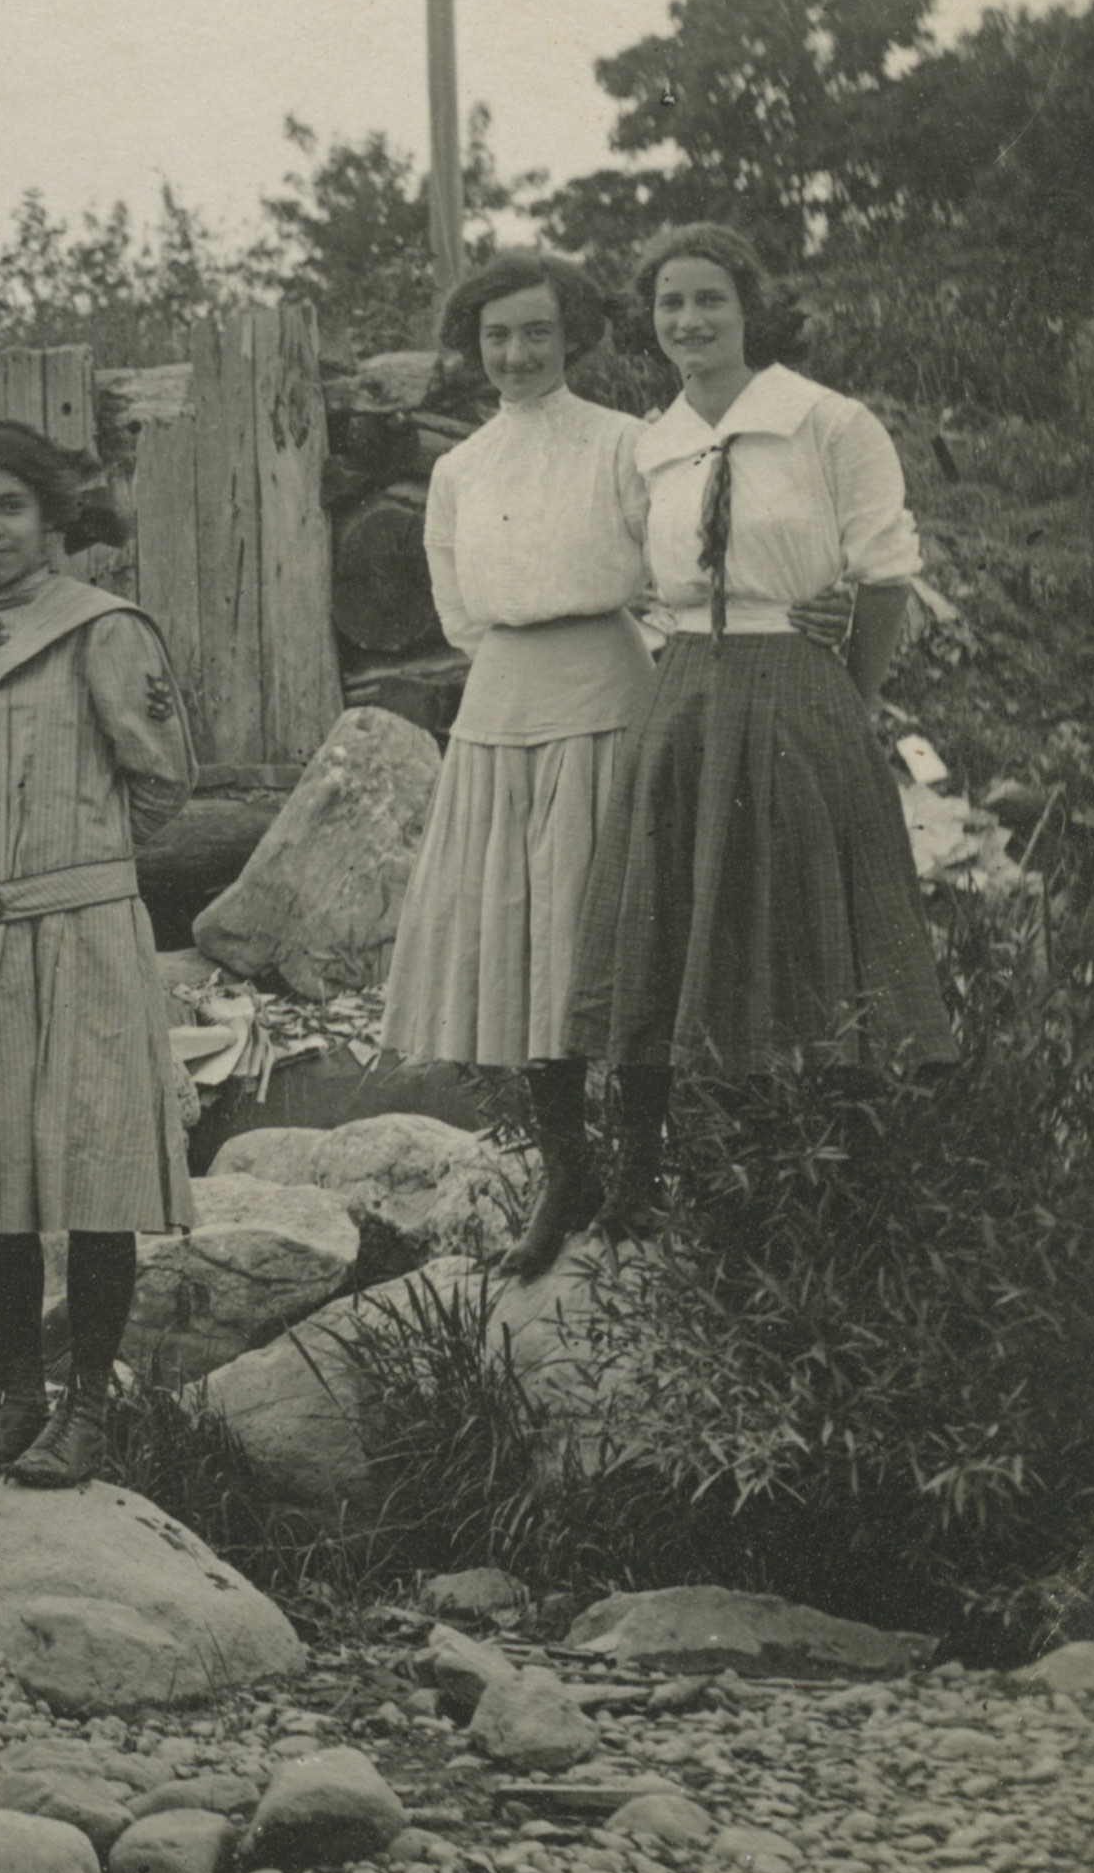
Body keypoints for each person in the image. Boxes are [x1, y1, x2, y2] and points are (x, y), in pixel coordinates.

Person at [565, 223, 953, 1229]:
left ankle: (819, 1181)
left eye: (710, 299)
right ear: (650, 321)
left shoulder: (827, 421)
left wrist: (846, 692)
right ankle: (637, 1177)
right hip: (684, 691)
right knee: (662, 912)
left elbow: (885, 569)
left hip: (798, 690)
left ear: (749, 309)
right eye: (670, 303)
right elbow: (644, 578)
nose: (689, 320)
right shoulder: (653, 444)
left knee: (802, 920)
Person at [0, 420, 197, 1489]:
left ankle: (89, 1404)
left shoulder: (103, 631)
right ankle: (17, 1397)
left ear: (52, 515)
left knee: (94, 1168)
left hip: (82, 936)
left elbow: (162, 782)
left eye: (9, 506)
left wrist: (75, 865)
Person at [377, 254, 661, 1281]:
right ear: (474, 345)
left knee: (618, 931)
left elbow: (663, 571)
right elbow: (457, 608)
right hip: (503, 701)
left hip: (608, 691)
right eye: (497, 335)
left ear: (573, 335)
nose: (517, 352)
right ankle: (567, 1168)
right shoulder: (460, 468)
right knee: (527, 930)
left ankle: (641, 1168)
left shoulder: (624, 443)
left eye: (537, 331)